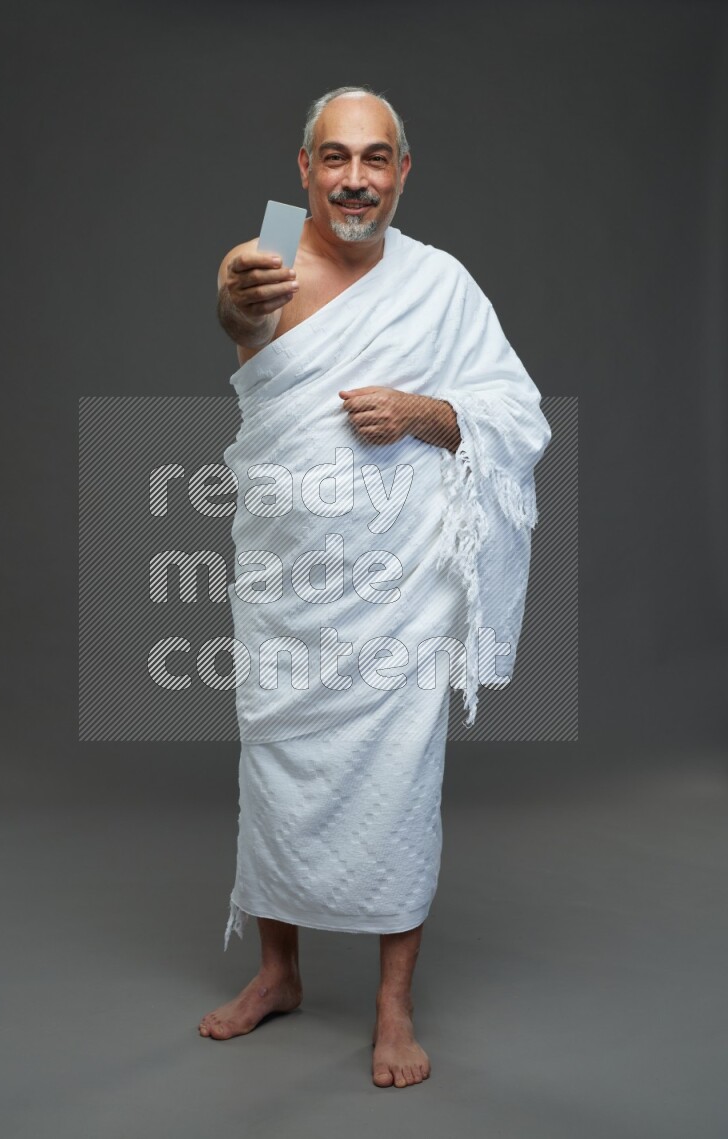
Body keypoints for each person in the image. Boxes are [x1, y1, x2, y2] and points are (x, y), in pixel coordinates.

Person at [199, 86, 551, 1090]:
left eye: (377, 158)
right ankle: (278, 972)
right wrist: (231, 301)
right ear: (304, 167)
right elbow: (237, 309)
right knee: (272, 768)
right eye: (336, 157)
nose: (356, 177)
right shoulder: (264, 256)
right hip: (285, 580)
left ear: (401, 172)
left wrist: (425, 409)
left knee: (399, 783)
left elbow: (512, 413)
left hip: (399, 588)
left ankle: (393, 1004)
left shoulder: (439, 282)